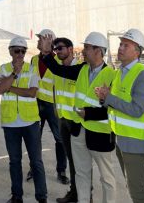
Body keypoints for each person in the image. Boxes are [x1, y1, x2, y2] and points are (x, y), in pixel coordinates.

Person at [42, 32, 117, 203]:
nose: (83, 51)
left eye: (87, 48)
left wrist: (89, 114)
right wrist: (47, 54)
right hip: (78, 130)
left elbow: (114, 108)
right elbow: (58, 69)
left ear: (98, 50)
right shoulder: (82, 69)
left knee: (107, 178)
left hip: (100, 133)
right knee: (81, 173)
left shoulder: (112, 75)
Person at [95, 28, 144, 203]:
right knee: (131, 187)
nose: (120, 48)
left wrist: (109, 98)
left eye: (125, 45)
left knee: (137, 191)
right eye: (120, 44)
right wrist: (103, 98)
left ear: (137, 51)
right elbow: (114, 103)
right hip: (121, 139)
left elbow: (137, 110)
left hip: (135, 142)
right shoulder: (120, 73)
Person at [0, 36, 48, 203]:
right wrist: (14, 74)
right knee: (14, 162)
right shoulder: (3, 69)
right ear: (10, 51)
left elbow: (32, 92)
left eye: (23, 51)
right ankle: (17, 196)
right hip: (10, 123)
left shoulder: (32, 68)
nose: (20, 54)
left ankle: (41, 197)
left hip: (30, 122)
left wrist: (9, 87)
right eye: (17, 50)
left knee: (36, 162)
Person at [29, 29, 69, 186]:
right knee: (34, 138)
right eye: (38, 38)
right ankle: (34, 168)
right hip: (35, 103)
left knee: (60, 139)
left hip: (53, 106)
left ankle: (61, 171)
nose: (38, 41)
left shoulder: (58, 61)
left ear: (49, 41)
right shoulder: (33, 59)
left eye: (41, 39)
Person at [49, 38, 79, 203]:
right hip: (63, 120)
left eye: (60, 48)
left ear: (70, 49)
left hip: (77, 122)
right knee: (72, 160)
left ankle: (84, 195)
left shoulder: (80, 68)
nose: (57, 51)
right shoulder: (58, 70)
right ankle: (74, 193)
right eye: (55, 49)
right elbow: (56, 91)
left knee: (80, 162)